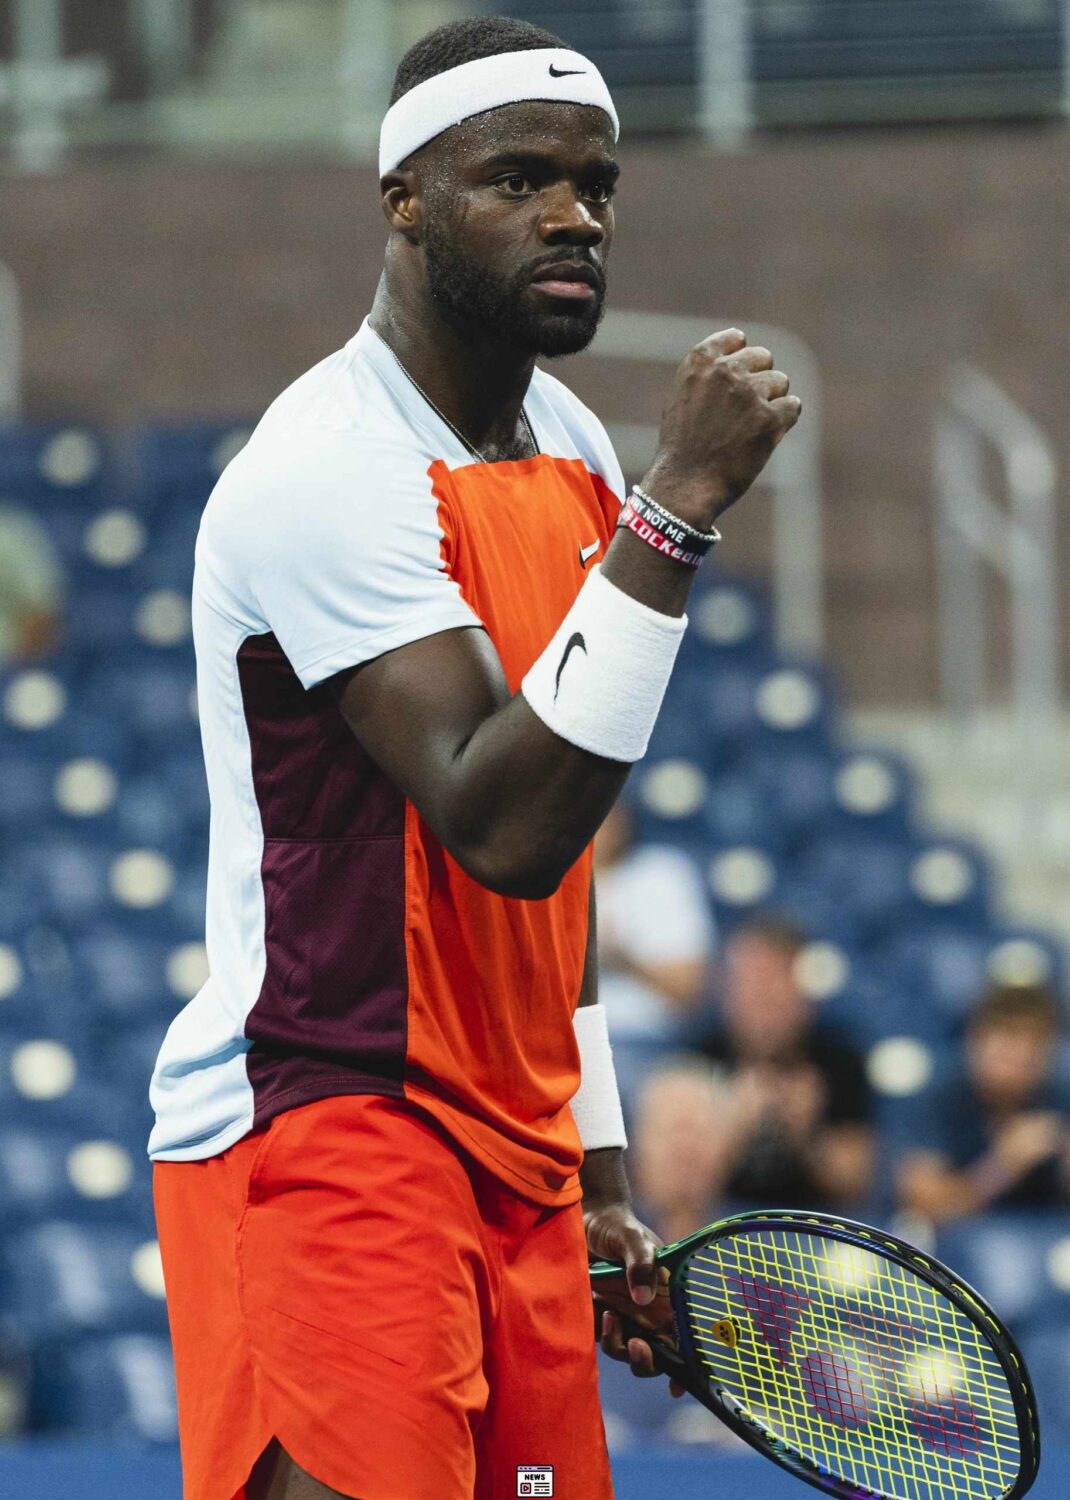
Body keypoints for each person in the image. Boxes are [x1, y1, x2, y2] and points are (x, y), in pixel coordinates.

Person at [148, 16, 801, 1500]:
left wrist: (601, 1171)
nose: (574, 215)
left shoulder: (563, 438)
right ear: (403, 203)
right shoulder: (325, 467)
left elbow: (551, 864)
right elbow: (495, 819)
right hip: (332, 1124)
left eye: (596, 183)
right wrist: (679, 503)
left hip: (516, 1157)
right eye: (516, 179)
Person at [696, 915, 874, 1211]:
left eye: (773, 982)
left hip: (813, 1227)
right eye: (748, 983)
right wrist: (733, 1127)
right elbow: (670, 1191)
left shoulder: (839, 1061)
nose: (760, 997)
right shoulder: (698, 1060)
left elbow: (854, 1185)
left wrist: (806, 1133)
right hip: (716, 1223)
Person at [898, 982, 1070, 1223]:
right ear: (975, 1040)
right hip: (959, 1243)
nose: (1022, 1054)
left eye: (1035, 1043)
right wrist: (1003, 1165)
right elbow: (925, 1206)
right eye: (1009, 1038)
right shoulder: (940, 1094)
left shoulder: (1060, 1096)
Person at [593, 799, 715, 1042]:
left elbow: (690, 990)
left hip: (648, 1039)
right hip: (560, 1041)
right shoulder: (542, 879)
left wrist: (620, 958)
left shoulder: (660, 874)